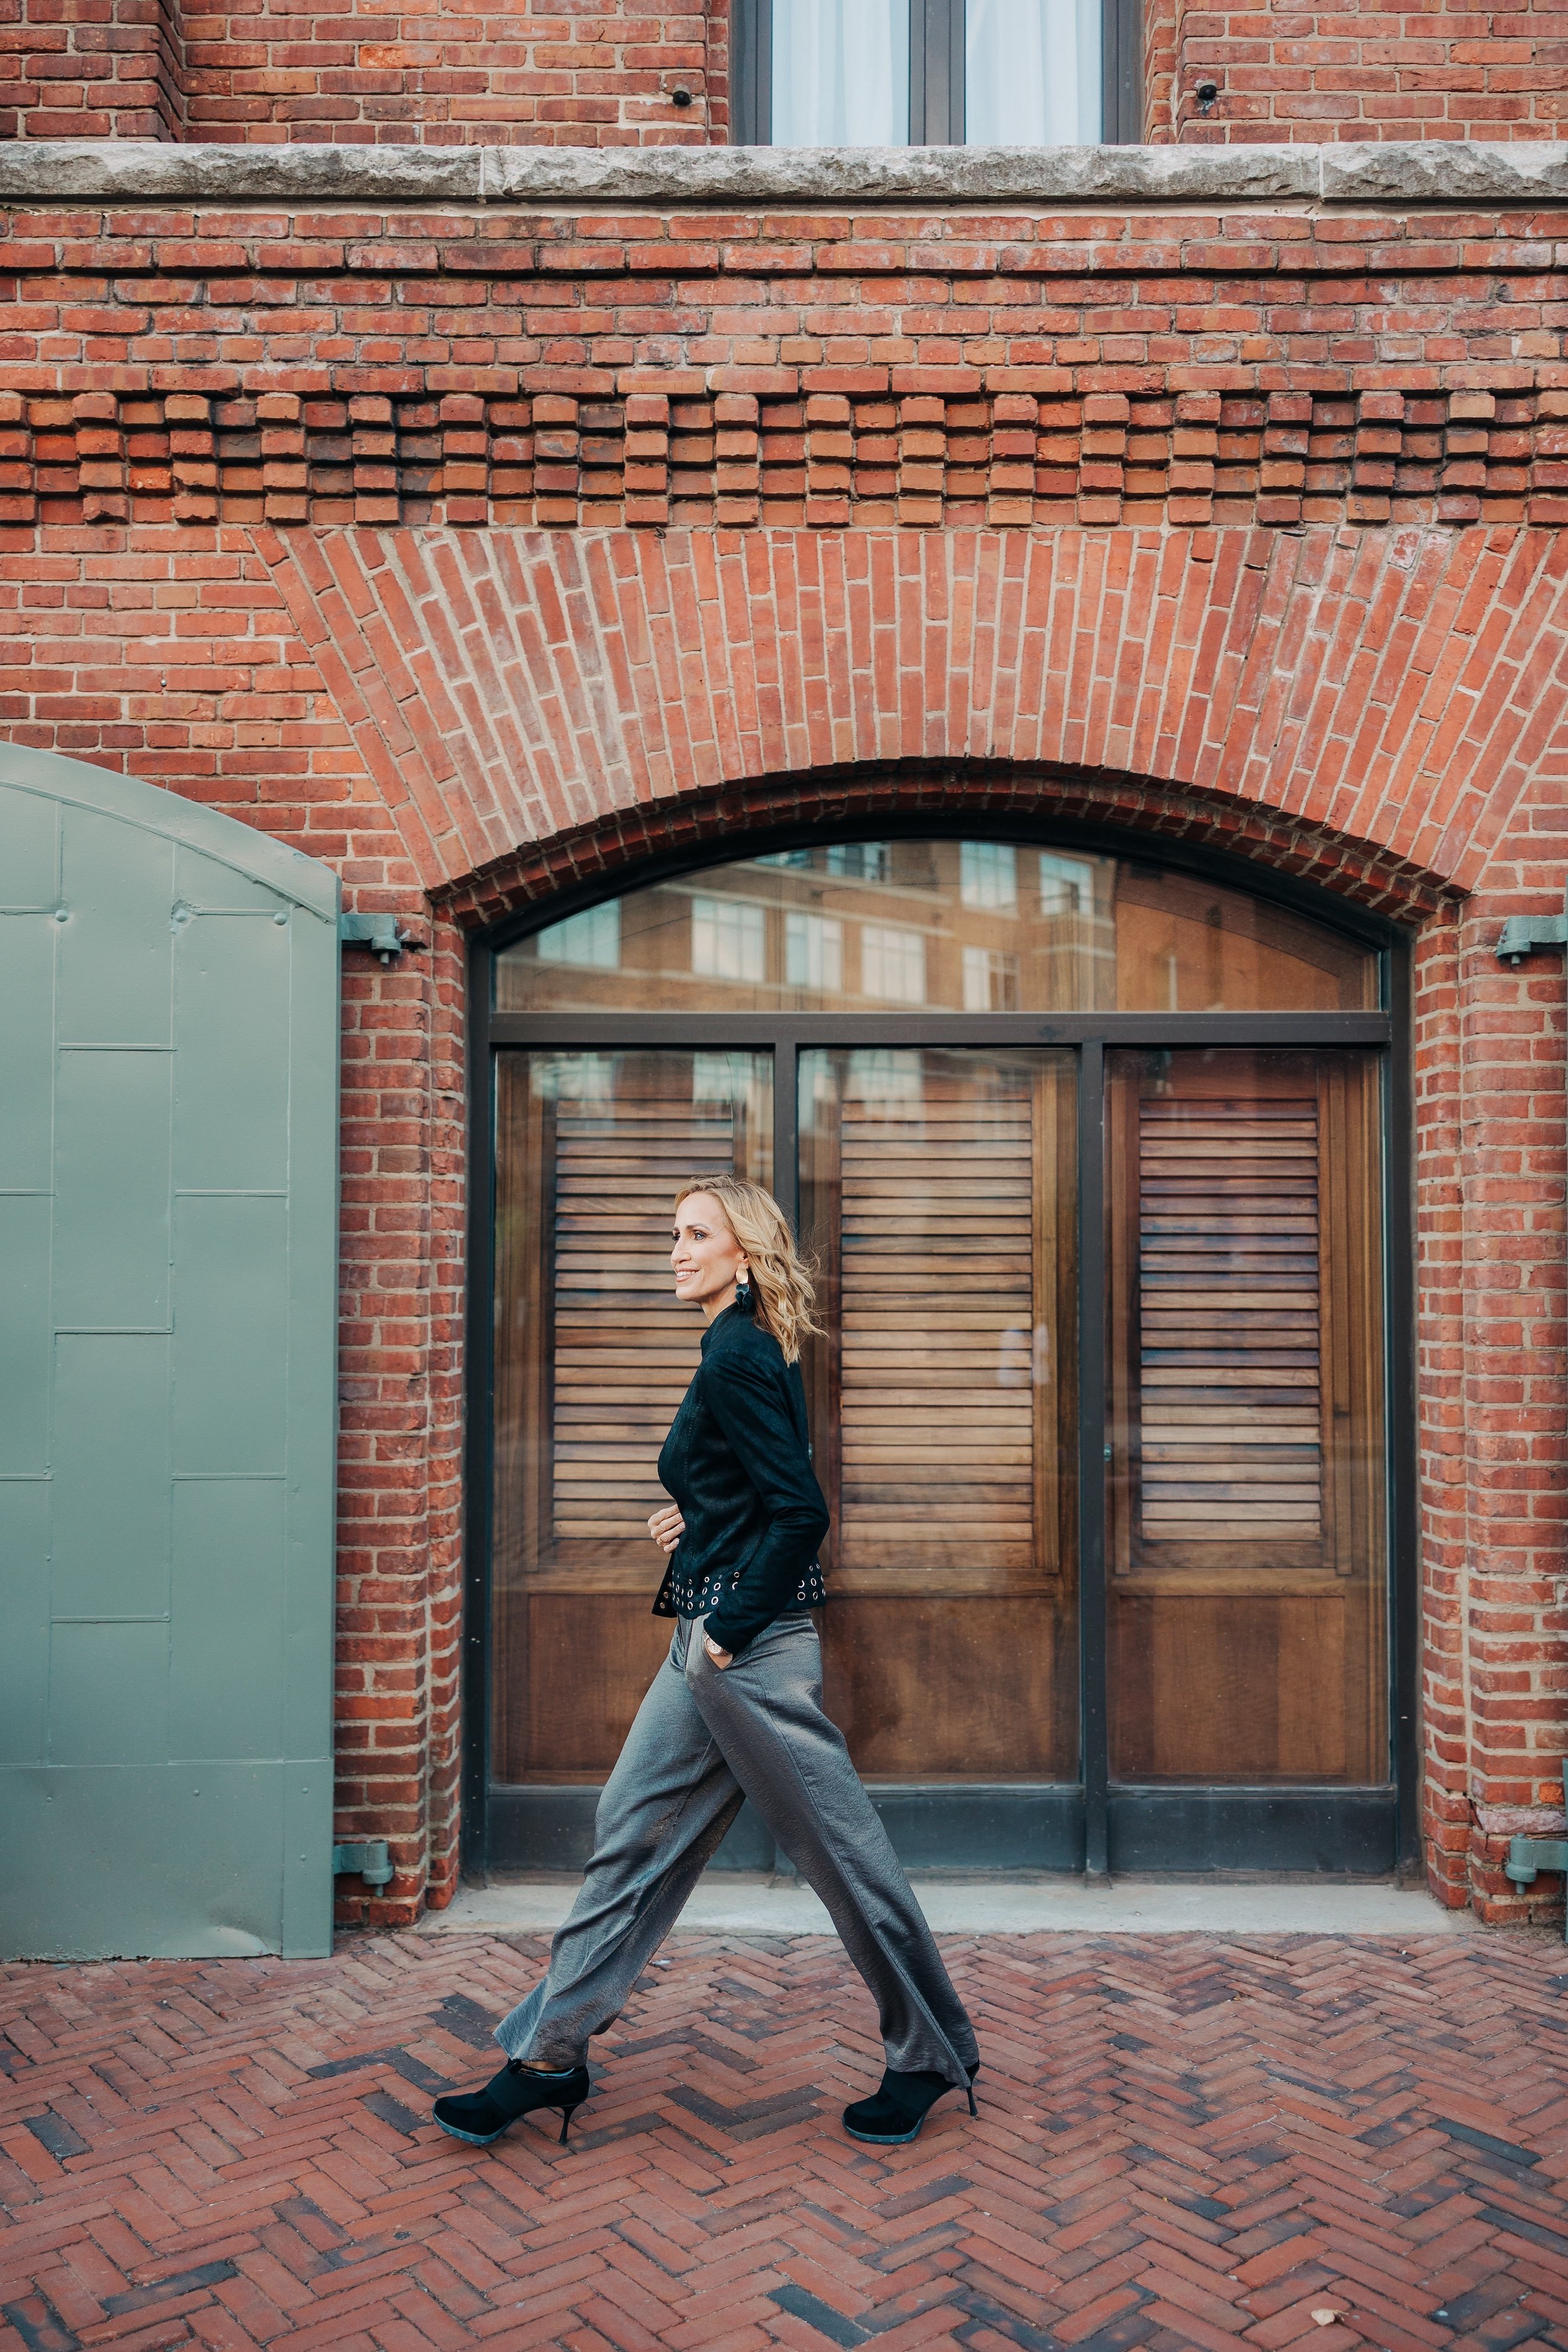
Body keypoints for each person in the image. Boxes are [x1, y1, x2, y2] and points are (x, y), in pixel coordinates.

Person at [433, 1175, 979, 2151]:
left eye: (696, 1233)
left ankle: (933, 2053)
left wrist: (728, 1626)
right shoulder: (736, 1347)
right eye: (673, 1234)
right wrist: (699, 1515)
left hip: (747, 1652)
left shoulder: (736, 1355)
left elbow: (803, 1511)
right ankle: (550, 2057)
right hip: (709, 1638)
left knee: (840, 1854)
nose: (676, 1250)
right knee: (630, 1830)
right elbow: (757, 1489)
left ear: (743, 1252)